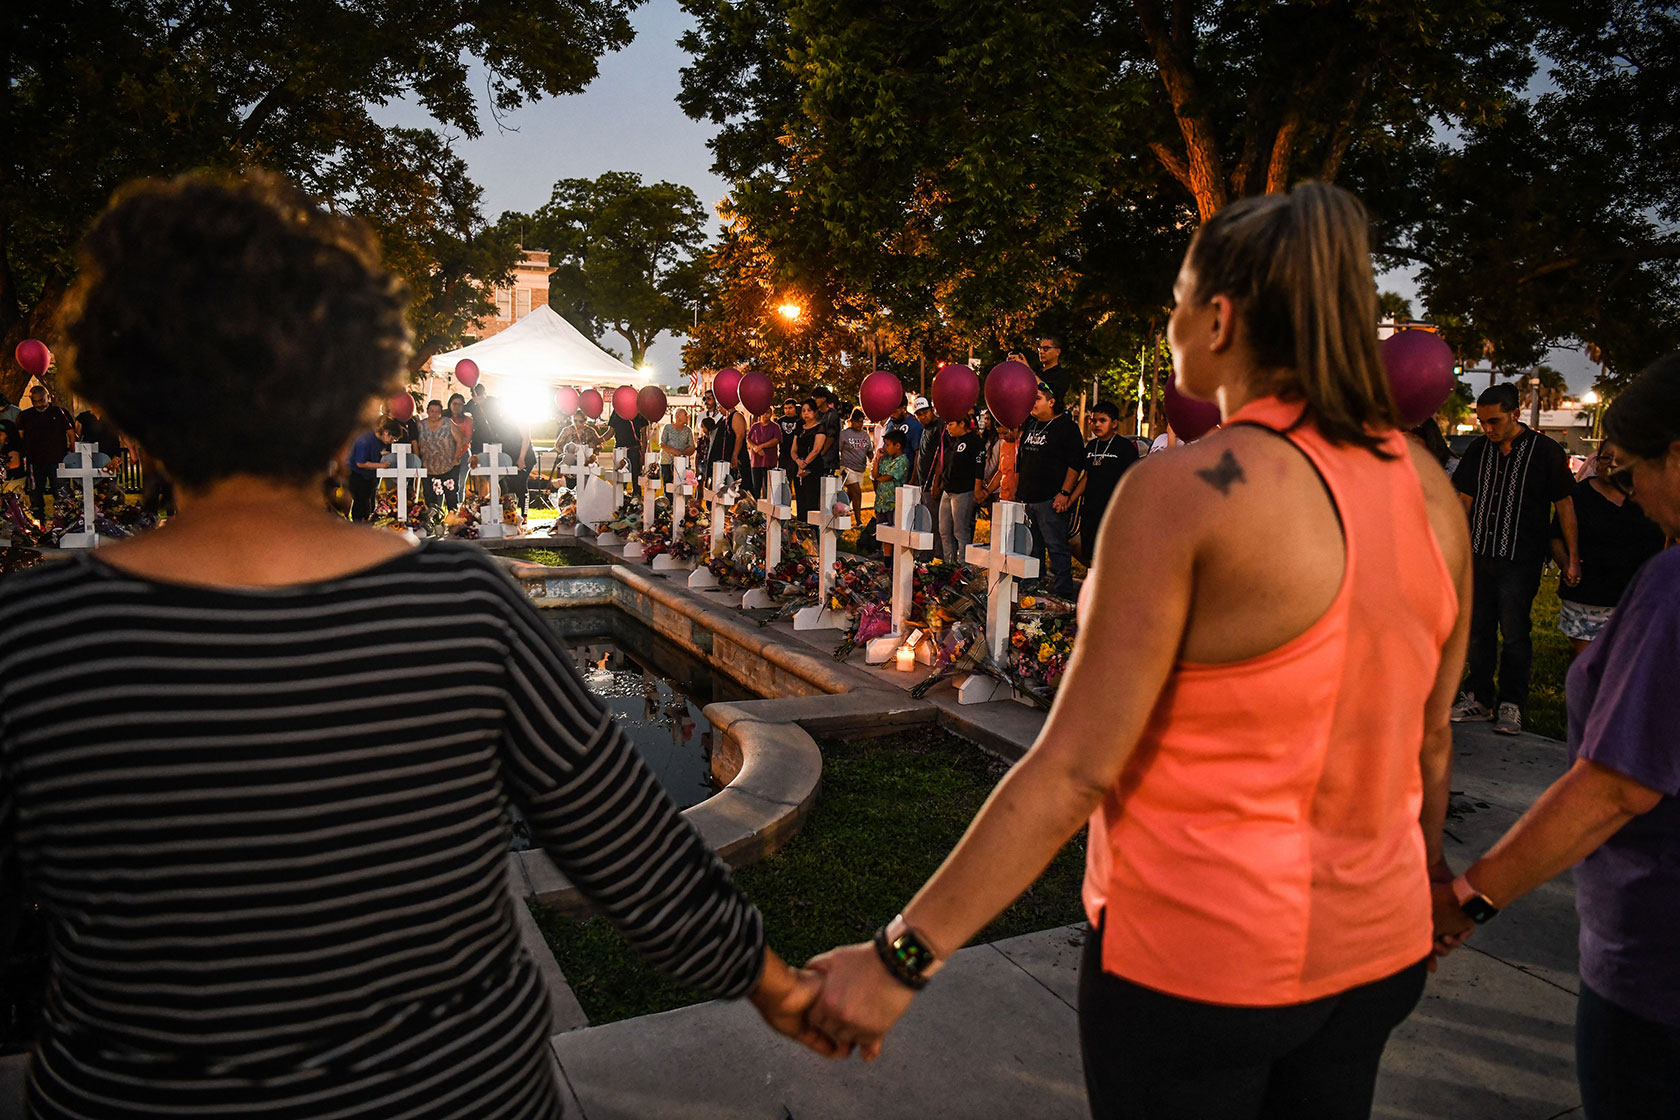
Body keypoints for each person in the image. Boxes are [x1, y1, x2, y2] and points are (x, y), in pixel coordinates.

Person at [0, 170, 830, 1119]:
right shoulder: (459, 606)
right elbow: (632, 853)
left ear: (122, 412)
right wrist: (785, 992)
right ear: (360, 403)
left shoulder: (36, 637)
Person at [802, 184, 1471, 1120]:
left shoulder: (1187, 491)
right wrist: (1433, 881)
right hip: (1378, 947)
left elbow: (1074, 768)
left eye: (1175, 304)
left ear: (1220, 317)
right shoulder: (1430, 490)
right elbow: (1431, 737)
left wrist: (898, 958)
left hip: (1204, 965)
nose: (1169, 325)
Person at [1434, 353, 1680, 1120]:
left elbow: (1614, 786)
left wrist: (1471, 897)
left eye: (1635, 467)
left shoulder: (1673, 588)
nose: (1632, 492)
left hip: (1659, 973)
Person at [1450, 381, 1578, 735]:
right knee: (1478, 630)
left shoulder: (1545, 451)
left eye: (1494, 421)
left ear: (1515, 414)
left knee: (1515, 631)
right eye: (1482, 422)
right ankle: (1478, 694)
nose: (1488, 429)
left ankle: (1511, 703)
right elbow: (1464, 499)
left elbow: (1564, 504)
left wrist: (1572, 557)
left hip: (1519, 558)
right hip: (1479, 554)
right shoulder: (1478, 450)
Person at [1549, 442, 1665, 657]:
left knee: (1628, 661)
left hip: (1636, 596)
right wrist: (1566, 563)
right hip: (1588, 595)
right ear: (1596, 461)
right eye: (1606, 458)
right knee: (1586, 662)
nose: (1612, 464)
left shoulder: (1648, 497)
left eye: (1620, 460)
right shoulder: (1578, 495)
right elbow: (1556, 537)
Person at [1015, 383, 1084, 599]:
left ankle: (1062, 595)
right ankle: (1034, 592)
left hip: (1051, 500)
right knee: (1031, 549)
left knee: (1056, 549)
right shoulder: (1031, 424)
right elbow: (1023, 458)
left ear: (1051, 401)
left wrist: (1064, 493)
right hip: (1028, 498)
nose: (1032, 404)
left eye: (1037, 399)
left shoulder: (1066, 427)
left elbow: (1075, 463)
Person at [1069, 401, 1139, 565]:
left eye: (1102, 420)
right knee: (1090, 552)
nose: (1096, 425)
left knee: (1111, 552)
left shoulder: (1125, 447)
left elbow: (1133, 479)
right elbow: (1087, 476)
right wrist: (1071, 499)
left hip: (1114, 511)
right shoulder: (1091, 446)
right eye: (1093, 420)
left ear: (1114, 423)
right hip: (1090, 510)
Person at [16, 384, 76, 517]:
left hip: (57, 458)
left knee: (61, 491)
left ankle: (64, 517)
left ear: (48, 397)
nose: (39, 404)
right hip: (34, 459)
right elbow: (20, 436)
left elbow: (71, 433)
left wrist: (73, 453)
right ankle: (38, 518)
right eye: (35, 401)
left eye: (41, 400)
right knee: (35, 492)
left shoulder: (59, 412)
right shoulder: (25, 415)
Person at [937, 412, 985, 563]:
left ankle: (964, 566)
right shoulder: (955, 441)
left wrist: (977, 488)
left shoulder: (975, 441)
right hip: (948, 490)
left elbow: (979, 466)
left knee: (960, 531)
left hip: (963, 491)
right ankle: (948, 563)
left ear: (962, 424)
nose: (948, 428)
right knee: (944, 530)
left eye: (951, 424)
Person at [865, 429, 910, 555]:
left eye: (888, 445)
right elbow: (874, 475)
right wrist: (877, 459)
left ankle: (894, 559)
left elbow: (886, 478)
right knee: (884, 534)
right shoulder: (885, 459)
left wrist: (879, 477)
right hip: (881, 503)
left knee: (893, 532)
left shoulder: (902, 461)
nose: (885, 447)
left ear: (898, 446)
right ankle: (887, 559)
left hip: (893, 503)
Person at [415, 398, 465, 509]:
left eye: (437, 412)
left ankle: (453, 521)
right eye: (432, 411)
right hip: (428, 467)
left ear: (441, 412)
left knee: (451, 496)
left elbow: (460, 440)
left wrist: (456, 457)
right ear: (427, 411)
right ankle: (433, 521)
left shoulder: (447, 423)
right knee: (429, 497)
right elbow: (415, 443)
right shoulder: (421, 425)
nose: (434, 414)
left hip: (448, 466)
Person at [345, 420, 396, 521]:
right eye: (393, 439)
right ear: (386, 432)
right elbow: (360, 463)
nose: (392, 442)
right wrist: (381, 465)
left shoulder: (380, 442)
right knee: (360, 504)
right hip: (357, 475)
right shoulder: (365, 439)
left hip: (369, 477)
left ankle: (364, 522)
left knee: (368, 504)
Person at [790, 398, 826, 517]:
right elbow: (793, 449)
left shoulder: (820, 427)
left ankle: (813, 531)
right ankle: (802, 529)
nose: (806, 413)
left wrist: (805, 463)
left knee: (812, 502)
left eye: (809, 410)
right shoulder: (799, 428)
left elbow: (816, 449)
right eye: (803, 410)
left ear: (815, 412)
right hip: (798, 467)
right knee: (801, 501)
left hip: (813, 468)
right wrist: (797, 461)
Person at [838, 409, 874, 522]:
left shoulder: (865, 435)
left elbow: (869, 451)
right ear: (851, 421)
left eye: (861, 421)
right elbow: (838, 450)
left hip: (860, 468)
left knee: (851, 495)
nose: (860, 424)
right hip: (847, 468)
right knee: (857, 492)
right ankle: (858, 521)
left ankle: (840, 512)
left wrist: (873, 459)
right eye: (857, 421)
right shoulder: (844, 434)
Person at [882, 395, 923, 477]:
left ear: (904, 408)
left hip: (905, 475)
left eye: (894, 412)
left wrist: (914, 478)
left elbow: (918, 454)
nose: (891, 415)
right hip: (887, 473)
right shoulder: (891, 423)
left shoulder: (914, 425)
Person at [980, 423, 1020, 507]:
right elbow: (1001, 471)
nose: (1002, 437)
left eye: (1005, 433)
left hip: (1019, 498)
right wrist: (987, 491)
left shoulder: (1022, 444)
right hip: (1004, 497)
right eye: (999, 433)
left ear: (1016, 428)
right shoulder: (1004, 444)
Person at [746, 408, 782, 498]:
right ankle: (756, 507)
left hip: (769, 461)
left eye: (768, 413)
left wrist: (761, 446)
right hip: (756, 461)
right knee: (756, 486)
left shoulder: (775, 426)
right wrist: (754, 447)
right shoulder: (755, 426)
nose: (766, 415)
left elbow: (776, 440)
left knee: (768, 486)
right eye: (764, 413)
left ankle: (768, 508)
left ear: (771, 414)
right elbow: (748, 438)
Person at [659, 408, 697, 482]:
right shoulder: (667, 428)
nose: (687, 416)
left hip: (683, 462)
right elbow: (662, 444)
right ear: (677, 416)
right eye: (685, 415)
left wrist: (682, 453)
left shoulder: (688, 430)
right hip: (667, 462)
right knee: (668, 486)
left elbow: (692, 447)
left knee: (683, 486)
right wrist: (674, 451)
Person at [814, 387, 843, 476]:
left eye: (816, 398)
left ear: (824, 399)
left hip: (828, 459)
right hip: (816, 456)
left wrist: (821, 452)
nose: (815, 400)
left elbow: (831, 437)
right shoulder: (816, 414)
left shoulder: (832, 415)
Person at [1037, 334, 1070, 406]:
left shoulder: (1062, 375)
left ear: (1057, 351)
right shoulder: (1037, 372)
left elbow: (1049, 393)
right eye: (1040, 348)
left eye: (1046, 348)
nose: (1041, 352)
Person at [777, 397, 803, 469]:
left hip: (797, 454)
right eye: (785, 408)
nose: (788, 410)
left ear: (795, 408)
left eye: (790, 408)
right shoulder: (780, 421)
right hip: (783, 453)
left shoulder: (800, 421)